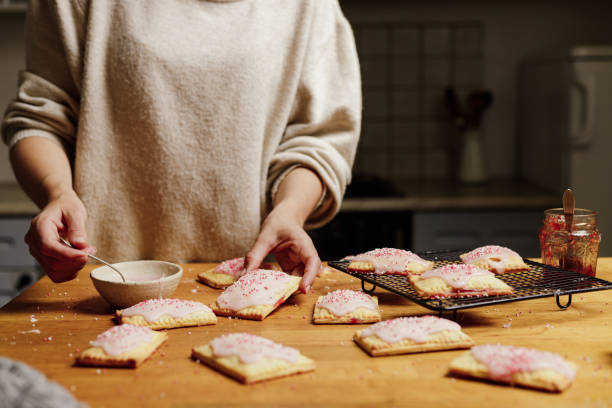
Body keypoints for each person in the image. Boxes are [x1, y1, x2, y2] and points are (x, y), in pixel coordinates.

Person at [1, 0, 361, 293]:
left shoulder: (309, 7)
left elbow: (317, 139)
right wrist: (57, 192)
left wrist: (291, 211)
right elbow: (40, 118)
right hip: (103, 281)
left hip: (249, 283)